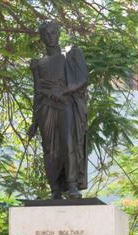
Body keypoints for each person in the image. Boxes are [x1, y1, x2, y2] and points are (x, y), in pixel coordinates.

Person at [28, 21, 89, 199]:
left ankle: (71, 184)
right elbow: (37, 92)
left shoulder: (70, 55)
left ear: (59, 33)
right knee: (49, 148)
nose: (50, 37)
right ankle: (54, 188)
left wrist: (63, 91)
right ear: (42, 37)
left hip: (65, 104)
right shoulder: (38, 63)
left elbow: (82, 79)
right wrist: (34, 121)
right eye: (46, 34)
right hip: (46, 108)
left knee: (68, 142)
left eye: (54, 33)